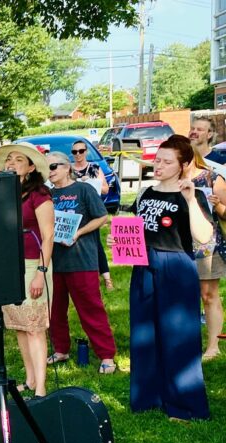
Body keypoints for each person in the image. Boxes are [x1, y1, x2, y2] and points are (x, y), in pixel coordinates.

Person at [114, 135, 213, 420]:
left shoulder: (194, 195)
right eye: (157, 160)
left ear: (182, 165)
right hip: (144, 265)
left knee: (178, 334)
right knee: (145, 331)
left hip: (176, 266)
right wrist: (121, 242)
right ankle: (148, 397)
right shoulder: (147, 192)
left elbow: (204, 238)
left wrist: (191, 200)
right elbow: (137, 228)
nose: (158, 166)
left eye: (167, 162)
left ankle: (185, 404)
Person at [0, 144, 55, 397]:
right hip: (9, 265)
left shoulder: (40, 195)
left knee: (34, 327)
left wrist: (41, 271)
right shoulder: (3, 194)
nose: (12, 163)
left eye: (19, 160)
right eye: (9, 159)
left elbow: (48, 236)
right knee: (18, 325)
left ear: (30, 167)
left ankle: (41, 388)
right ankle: (29, 379)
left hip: (33, 265)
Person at [46, 152, 117, 374]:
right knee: (54, 310)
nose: (50, 171)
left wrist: (78, 232)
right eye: (46, 168)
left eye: (54, 166)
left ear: (67, 167)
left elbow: (101, 217)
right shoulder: (46, 195)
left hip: (81, 259)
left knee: (90, 308)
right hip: (52, 262)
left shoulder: (84, 190)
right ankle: (61, 349)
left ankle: (106, 356)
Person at [185, 151, 226, 360]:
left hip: (207, 245)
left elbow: (225, 211)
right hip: (178, 244)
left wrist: (217, 203)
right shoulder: (169, 180)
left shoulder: (211, 177)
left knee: (208, 295)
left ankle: (213, 345)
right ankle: (185, 342)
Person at [69, 140, 114, 291]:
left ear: (86, 151)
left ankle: (107, 278)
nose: (78, 154)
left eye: (81, 151)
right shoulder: (70, 170)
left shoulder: (94, 168)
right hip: (76, 211)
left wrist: (91, 182)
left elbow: (106, 190)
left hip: (92, 212)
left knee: (96, 245)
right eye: (75, 152)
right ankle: (81, 279)